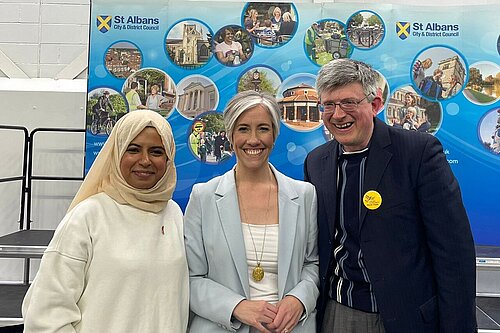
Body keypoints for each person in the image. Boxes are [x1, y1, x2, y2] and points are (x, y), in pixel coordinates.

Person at [304, 58, 476, 333]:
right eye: (329, 105)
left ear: (375, 104)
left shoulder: (418, 153)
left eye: (349, 102)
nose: (337, 114)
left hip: (405, 316)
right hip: (337, 312)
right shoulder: (316, 162)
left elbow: (453, 251)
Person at [22, 110, 189, 332]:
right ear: (116, 153)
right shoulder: (88, 216)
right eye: (133, 149)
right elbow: (46, 316)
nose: (145, 160)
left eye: (156, 151)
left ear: (168, 159)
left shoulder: (174, 214)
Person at [184, 90, 319, 333]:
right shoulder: (203, 197)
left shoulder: (305, 195)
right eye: (243, 129)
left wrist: (299, 300)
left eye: (263, 129)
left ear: (275, 135)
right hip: (222, 327)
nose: (253, 139)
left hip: (289, 328)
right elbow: (191, 279)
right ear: (230, 135)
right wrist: (236, 306)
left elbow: (313, 264)